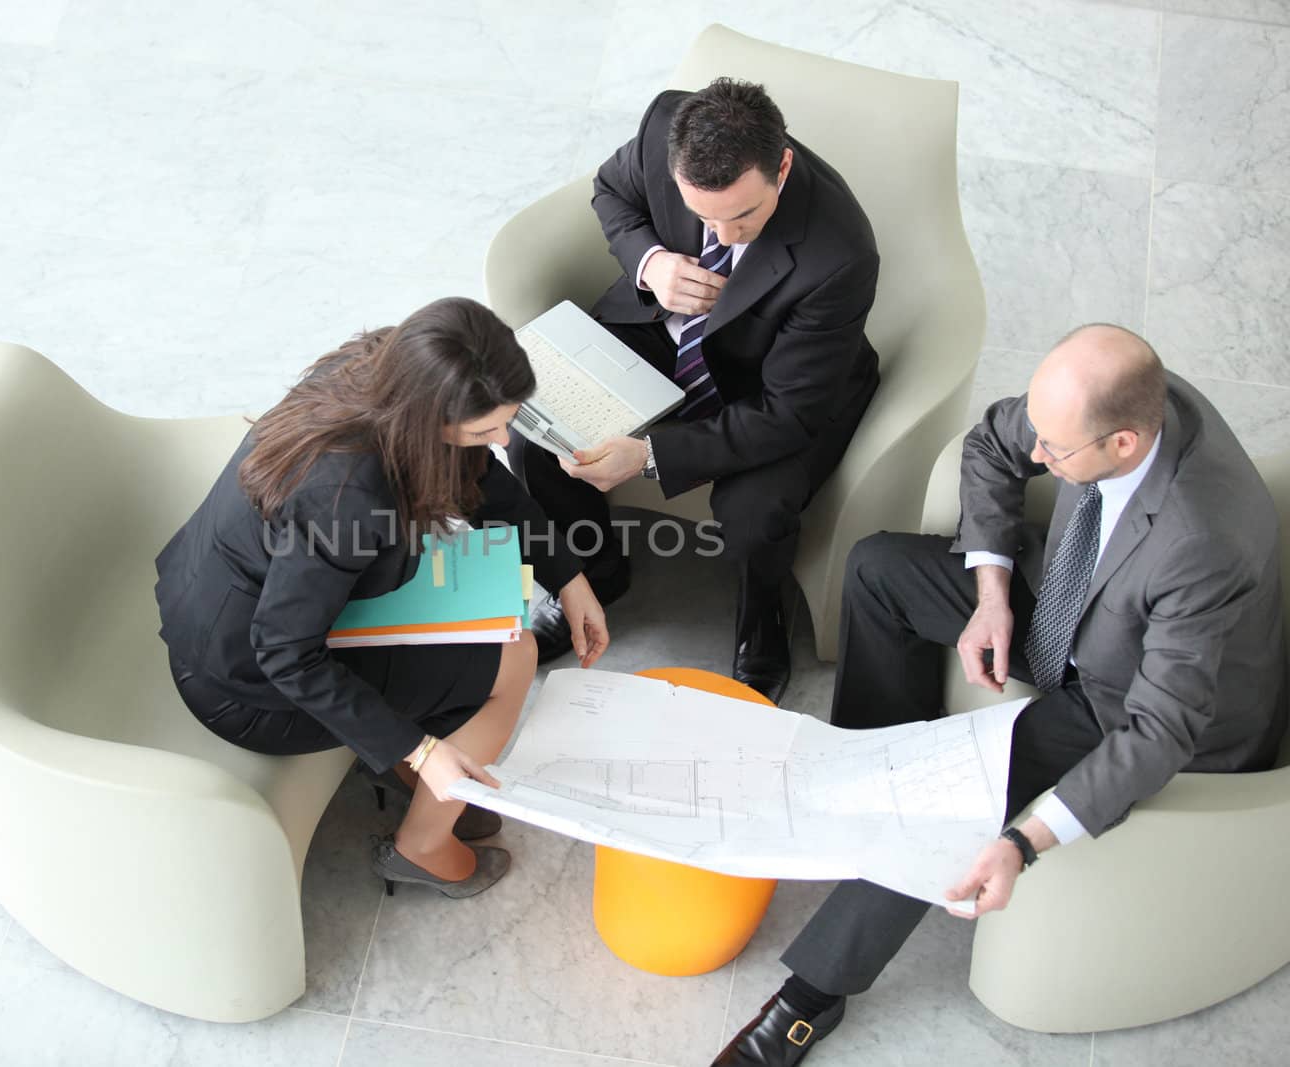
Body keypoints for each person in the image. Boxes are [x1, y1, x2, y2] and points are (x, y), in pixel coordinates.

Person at [714, 324, 1288, 1066]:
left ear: (1123, 444)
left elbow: (1160, 729)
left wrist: (1023, 841)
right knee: (878, 569)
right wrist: (991, 595)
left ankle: (808, 999)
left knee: (951, 792)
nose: (1039, 457)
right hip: (1072, 607)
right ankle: (869, 781)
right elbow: (992, 440)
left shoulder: (1202, 543)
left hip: (1132, 704)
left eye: (1055, 451)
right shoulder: (1111, 398)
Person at [153, 297, 610, 898]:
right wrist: (419, 750)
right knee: (516, 651)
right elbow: (284, 653)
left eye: (508, 421)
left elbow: (483, 482)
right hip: (245, 685)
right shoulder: (344, 495)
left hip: (254, 598)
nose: (502, 441)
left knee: (483, 630)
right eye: (484, 431)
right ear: (429, 419)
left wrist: (568, 576)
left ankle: (416, 767)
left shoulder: (390, 369)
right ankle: (421, 847)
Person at [510, 77, 880, 701]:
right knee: (535, 434)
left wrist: (653, 455)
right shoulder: (663, 124)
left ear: (782, 166)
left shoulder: (841, 254)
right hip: (665, 330)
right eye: (704, 216)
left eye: (743, 216)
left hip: (777, 383)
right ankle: (594, 570)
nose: (724, 236)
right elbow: (612, 192)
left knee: (755, 512)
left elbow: (786, 415)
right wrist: (651, 260)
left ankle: (762, 624)